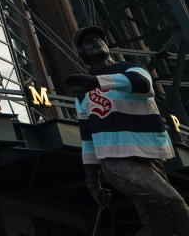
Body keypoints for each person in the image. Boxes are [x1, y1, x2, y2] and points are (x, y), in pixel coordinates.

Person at [65, 25, 189, 235]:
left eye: (99, 39)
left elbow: (142, 84)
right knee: (173, 202)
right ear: (82, 53)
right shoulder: (82, 95)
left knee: (157, 226)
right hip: (116, 160)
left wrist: (96, 81)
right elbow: (88, 139)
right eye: (88, 42)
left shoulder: (129, 68)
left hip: (150, 157)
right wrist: (92, 182)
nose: (96, 42)